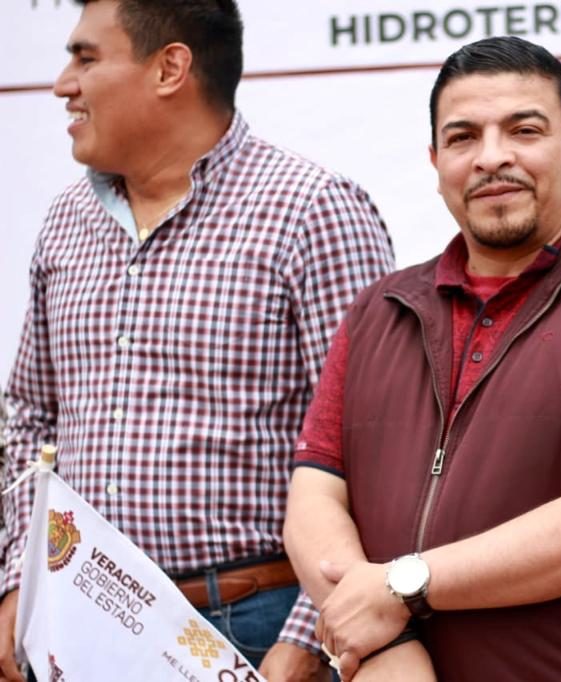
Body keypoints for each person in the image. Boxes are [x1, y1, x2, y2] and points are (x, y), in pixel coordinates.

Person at [284, 35, 561, 681]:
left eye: (524, 130)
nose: (492, 157)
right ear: (437, 161)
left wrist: (402, 588)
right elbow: (314, 498)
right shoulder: (379, 311)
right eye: (463, 137)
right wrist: (384, 645)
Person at [0, 1, 395, 680]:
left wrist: (308, 637)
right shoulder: (67, 219)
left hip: (252, 625)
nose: (63, 84)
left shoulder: (312, 210)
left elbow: (376, 444)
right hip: (75, 626)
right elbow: (31, 418)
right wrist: (19, 581)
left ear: (170, 68)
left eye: (86, 58)